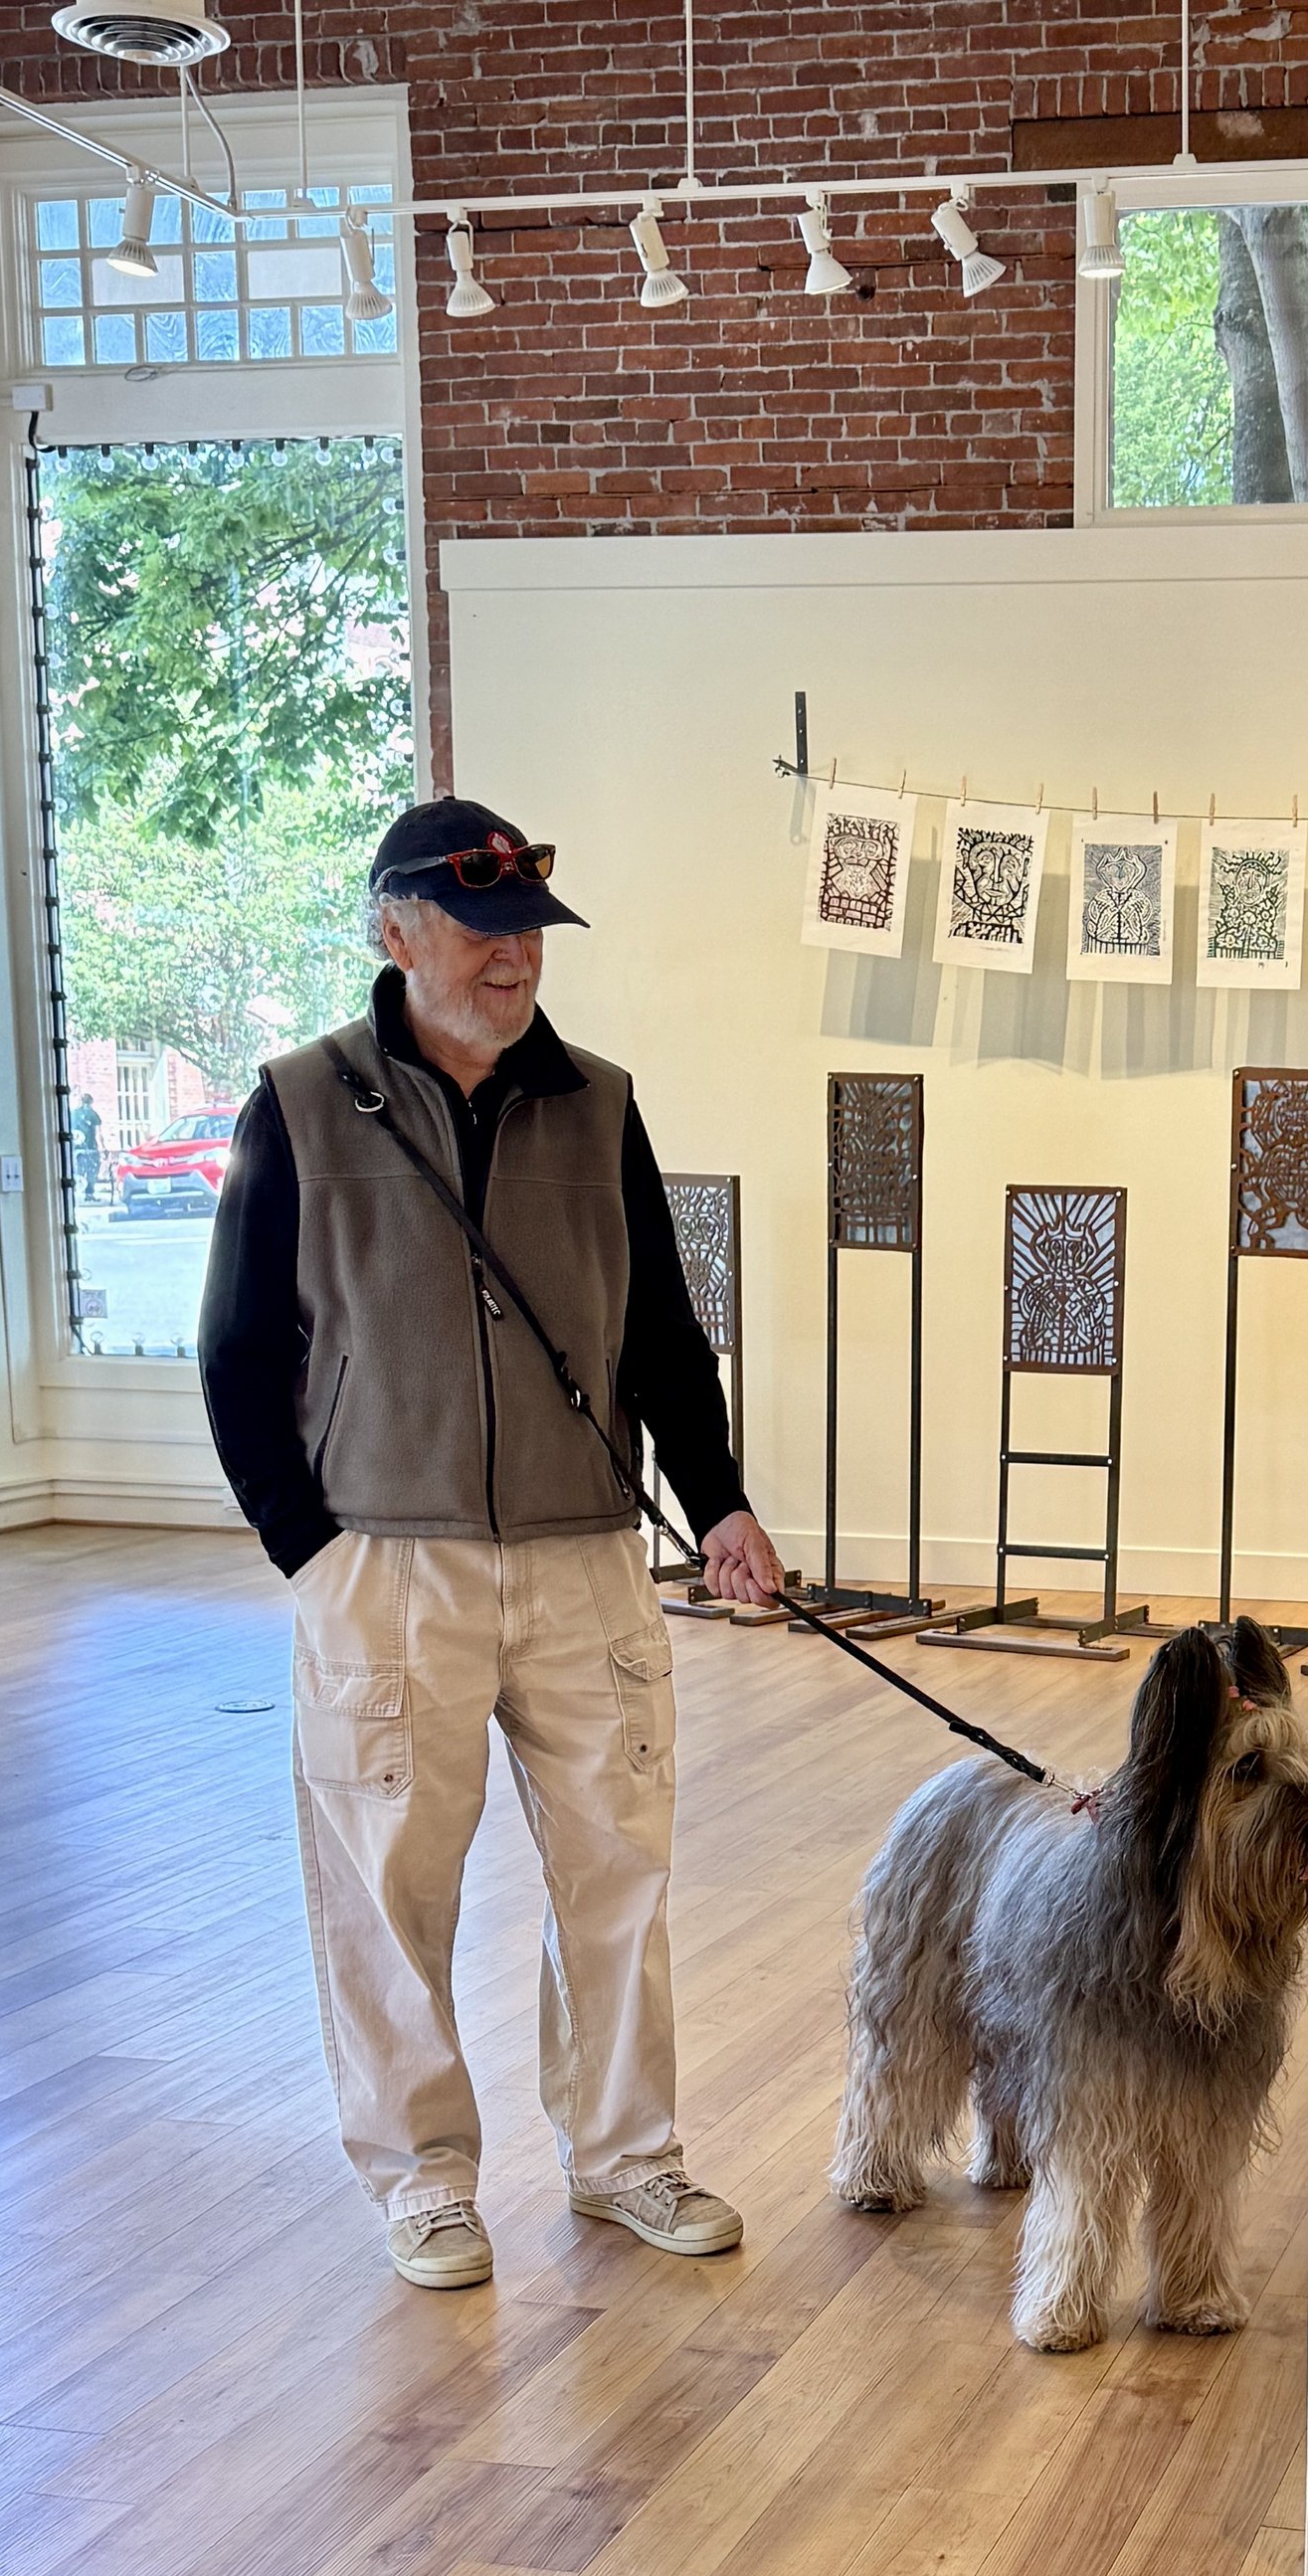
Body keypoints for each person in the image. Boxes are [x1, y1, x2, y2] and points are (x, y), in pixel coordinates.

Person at [200, 798, 785, 2292]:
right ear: (393, 932)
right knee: (390, 1883)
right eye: (481, 927)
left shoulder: (598, 1101)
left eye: (528, 929)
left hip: (587, 1553)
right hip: (386, 1562)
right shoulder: (298, 1102)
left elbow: (662, 1329)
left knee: (619, 1867)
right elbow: (238, 1350)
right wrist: (312, 1550)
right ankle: (423, 2178)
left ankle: (625, 2155)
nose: (514, 956)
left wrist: (715, 1497)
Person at [71, 1092, 102, 1204]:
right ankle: (89, 1194)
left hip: (77, 1149)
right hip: (91, 1148)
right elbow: (98, 1133)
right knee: (92, 1171)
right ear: (91, 1102)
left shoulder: (73, 1114)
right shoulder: (93, 1114)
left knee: (78, 1170)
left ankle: (74, 1193)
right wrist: (102, 1147)